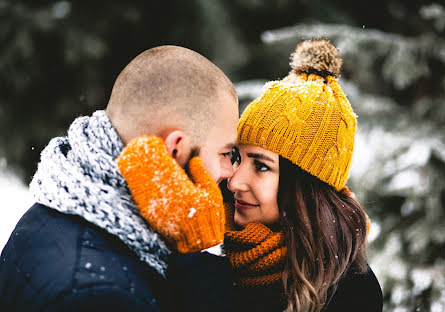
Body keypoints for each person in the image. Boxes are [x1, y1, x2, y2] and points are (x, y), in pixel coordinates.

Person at [0, 45, 238, 311]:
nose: (230, 171)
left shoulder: (57, 210)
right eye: (225, 153)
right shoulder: (101, 295)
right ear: (175, 150)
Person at [221, 39, 383, 311]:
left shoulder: (351, 293)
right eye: (237, 158)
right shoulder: (204, 238)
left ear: (304, 187)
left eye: (261, 166)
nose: (234, 181)